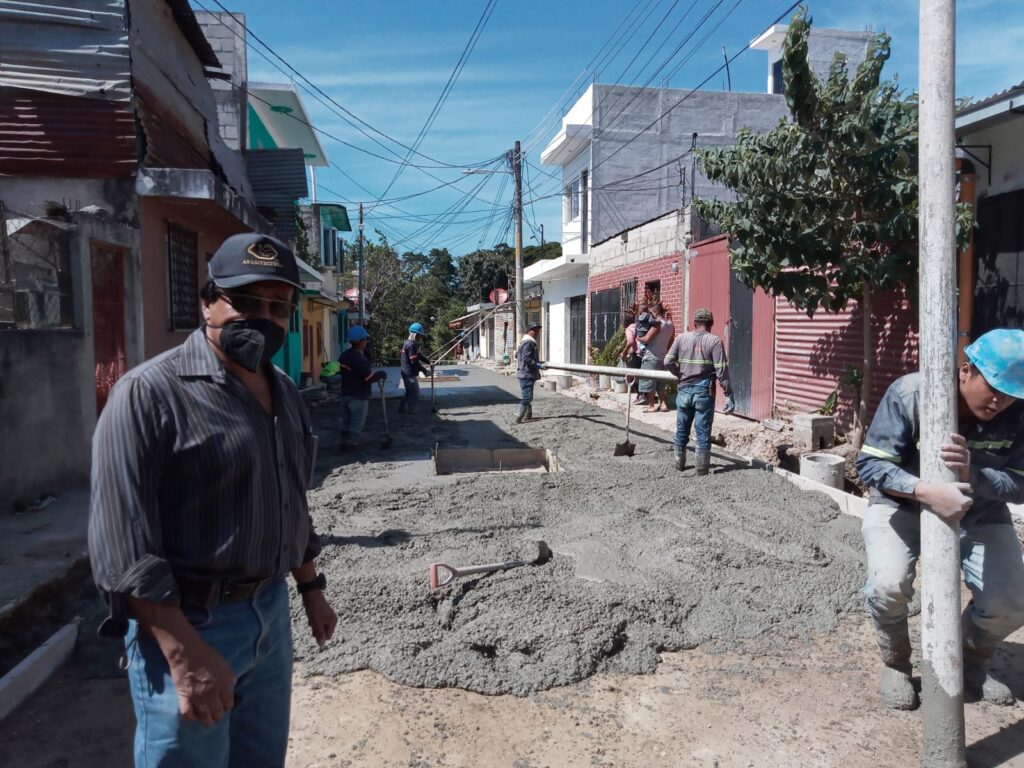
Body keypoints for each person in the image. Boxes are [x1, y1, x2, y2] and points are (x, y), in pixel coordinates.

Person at [88, 232, 338, 768]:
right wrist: (182, 653)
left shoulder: (285, 392)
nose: (263, 318)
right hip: (190, 622)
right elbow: (120, 545)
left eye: (279, 307)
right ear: (207, 302)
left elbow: (289, 501)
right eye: (245, 301)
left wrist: (310, 588)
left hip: (271, 616)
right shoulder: (148, 394)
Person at [856, 328, 1024, 711]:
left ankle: (969, 662)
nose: (1000, 401)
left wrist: (973, 476)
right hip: (901, 504)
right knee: (888, 584)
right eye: (994, 387)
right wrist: (927, 490)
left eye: (1012, 393)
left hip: (979, 511)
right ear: (966, 371)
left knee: (1012, 601)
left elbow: (1020, 483)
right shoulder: (912, 394)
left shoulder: (1018, 413)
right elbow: (870, 465)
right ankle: (896, 664)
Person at [663, 307, 734, 475]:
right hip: (703, 393)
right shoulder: (714, 341)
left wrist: (679, 374)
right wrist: (728, 394)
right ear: (711, 323)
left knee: (681, 430)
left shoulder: (681, 338)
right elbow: (721, 370)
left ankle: (679, 465)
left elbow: (667, 361)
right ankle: (701, 470)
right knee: (702, 433)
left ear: (695, 323)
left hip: (683, 391)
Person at [338, 326, 387, 449]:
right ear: (360, 341)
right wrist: (381, 374)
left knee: (346, 420)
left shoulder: (345, 355)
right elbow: (368, 378)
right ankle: (351, 444)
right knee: (356, 420)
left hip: (346, 393)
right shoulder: (359, 358)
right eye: (365, 340)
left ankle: (343, 442)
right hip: (358, 395)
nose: (366, 342)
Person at [643, 302, 675, 412]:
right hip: (663, 356)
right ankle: (663, 404)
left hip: (651, 356)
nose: (649, 315)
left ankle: (651, 405)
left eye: (650, 313)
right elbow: (671, 340)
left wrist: (638, 338)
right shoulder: (670, 324)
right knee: (661, 384)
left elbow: (647, 339)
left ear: (655, 312)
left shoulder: (657, 323)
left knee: (650, 383)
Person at [399, 322, 431, 414]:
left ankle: (402, 408)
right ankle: (411, 413)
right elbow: (414, 362)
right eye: (419, 336)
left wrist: (428, 362)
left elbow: (419, 355)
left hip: (406, 372)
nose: (420, 338)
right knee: (415, 395)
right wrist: (425, 371)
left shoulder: (409, 343)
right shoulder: (411, 345)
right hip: (409, 374)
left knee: (409, 392)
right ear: (415, 335)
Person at [515, 321, 543, 423]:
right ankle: (518, 417)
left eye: (538, 331)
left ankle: (528, 415)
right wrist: (538, 365)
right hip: (527, 373)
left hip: (523, 373)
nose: (537, 333)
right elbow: (526, 358)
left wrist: (539, 363)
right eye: (535, 331)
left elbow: (518, 355)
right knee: (527, 397)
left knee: (526, 395)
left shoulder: (523, 341)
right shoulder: (529, 342)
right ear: (530, 331)